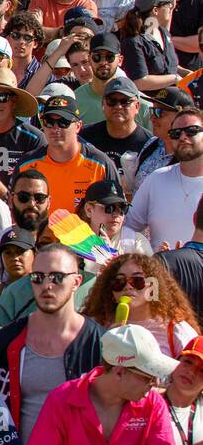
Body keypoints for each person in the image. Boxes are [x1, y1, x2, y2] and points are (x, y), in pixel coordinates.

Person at [0, 243, 105, 445]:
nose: (47, 285)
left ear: (76, 282)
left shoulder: (99, 342)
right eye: (38, 277)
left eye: (57, 277)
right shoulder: (4, 342)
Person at [25, 324, 178, 445]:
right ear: (119, 372)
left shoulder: (154, 404)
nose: (154, 385)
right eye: (148, 378)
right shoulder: (62, 399)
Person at [83, 253, 198, 357]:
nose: (128, 286)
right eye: (119, 281)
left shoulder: (175, 330)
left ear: (153, 287)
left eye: (137, 281)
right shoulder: (96, 325)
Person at [125, 107, 203, 249]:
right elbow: (129, 227)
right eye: (176, 133)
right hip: (161, 268)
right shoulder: (157, 179)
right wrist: (145, 254)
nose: (183, 137)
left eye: (192, 131)